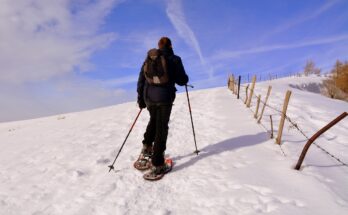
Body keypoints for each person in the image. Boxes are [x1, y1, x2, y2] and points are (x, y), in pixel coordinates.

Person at [137, 37, 189, 175]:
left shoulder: (149, 58)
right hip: (165, 98)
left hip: (149, 98)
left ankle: (147, 148)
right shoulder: (174, 59)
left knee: (153, 121)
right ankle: (157, 163)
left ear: (159, 46)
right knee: (161, 127)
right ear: (171, 45)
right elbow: (182, 80)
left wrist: (140, 99)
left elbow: (141, 79)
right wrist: (184, 79)